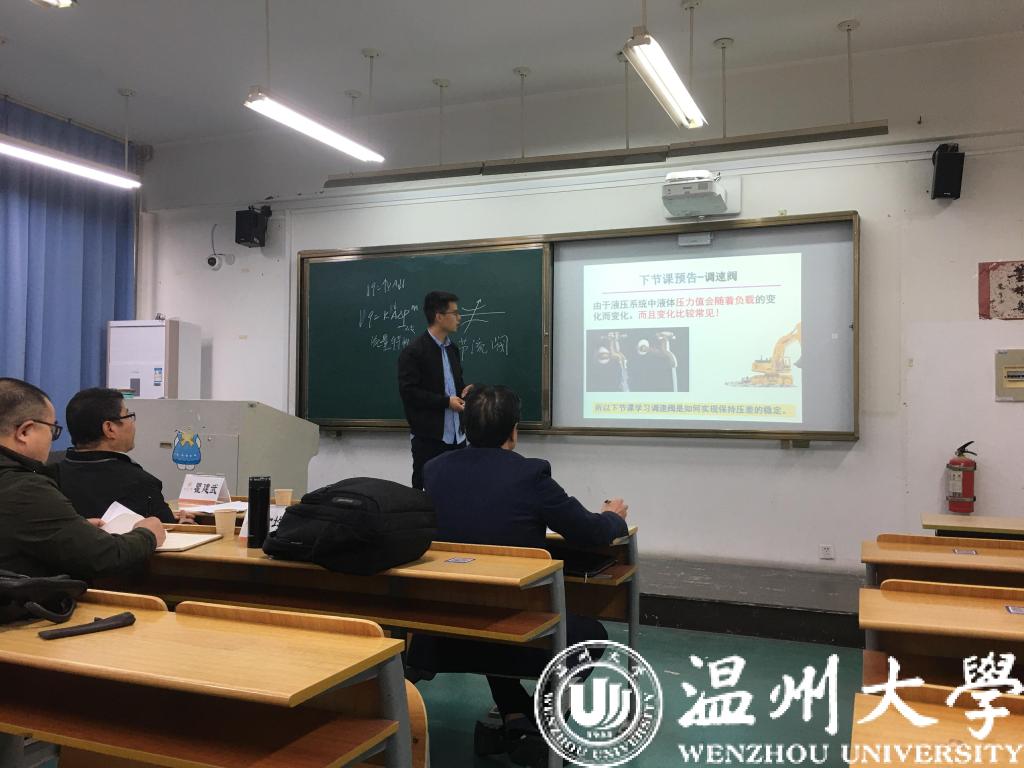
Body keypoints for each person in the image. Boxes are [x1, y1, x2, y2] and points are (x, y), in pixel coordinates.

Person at [418, 384, 629, 765]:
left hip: (440, 636)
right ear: (513, 432)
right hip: (521, 642)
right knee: (590, 635)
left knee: (487, 607)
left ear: (465, 427)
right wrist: (613, 516)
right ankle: (540, 725)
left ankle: (516, 715)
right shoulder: (530, 475)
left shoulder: (434, 471)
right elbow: (589, 532)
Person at [0, 378, 165, 580]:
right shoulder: (26, 489)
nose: (51, 439)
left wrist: (70, 531)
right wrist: (147, 534)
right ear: (25, 432)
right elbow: (105, 557)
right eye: (52, 430)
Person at [55, 387, 190, 525]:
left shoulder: (51, 478)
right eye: (128, 415)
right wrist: (184, 524)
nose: (132, 423)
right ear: (109, 428)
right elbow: (167, 530)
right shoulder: (140, 484)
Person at [397, 290, 471, 489]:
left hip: (457, 437)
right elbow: (409, 393)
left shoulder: (453, 349)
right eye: (454, 313)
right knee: (426, 495)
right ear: (439, 316)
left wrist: (466, 391)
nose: (459, 318)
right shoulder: (414, 352)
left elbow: (455, 387)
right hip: (429, 439)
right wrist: (446, 402)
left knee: (458, 491)